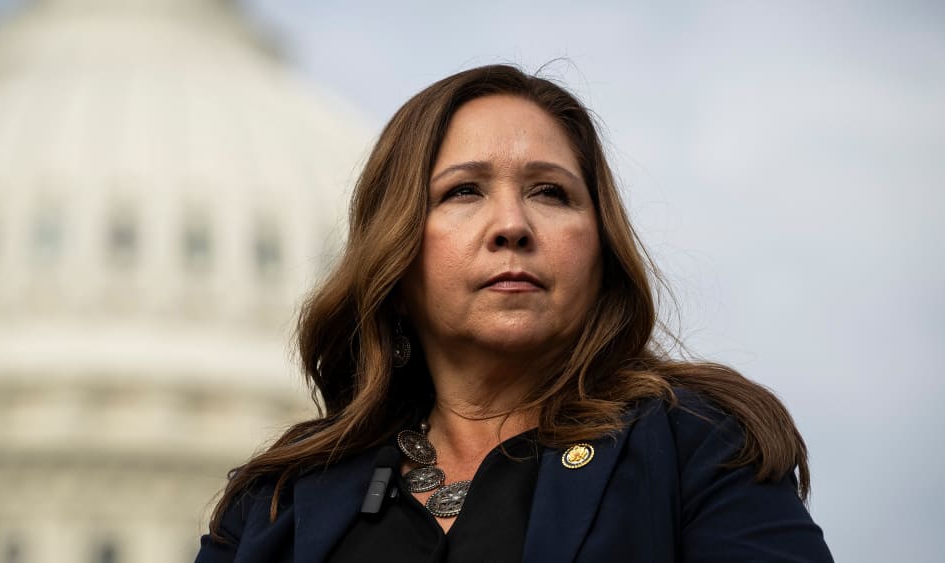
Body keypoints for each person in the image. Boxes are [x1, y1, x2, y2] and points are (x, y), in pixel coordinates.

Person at [194, 64, 833, 562]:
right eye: (463, 191)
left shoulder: (695, 447)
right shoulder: (278, 504)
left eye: (550, 192)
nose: (511, 225)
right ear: (396, 253)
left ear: (601, 250)